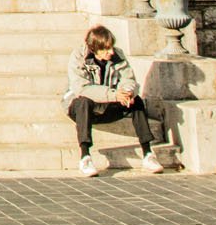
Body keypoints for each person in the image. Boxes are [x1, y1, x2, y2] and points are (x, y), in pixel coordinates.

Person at [64, 24, 162, 176]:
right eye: (106, 49)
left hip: (109, 105)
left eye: (111, 47)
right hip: (82, 107)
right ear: (94, 48)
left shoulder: (117, 55)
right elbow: (81, 88)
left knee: (137, 101)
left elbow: (128, 78)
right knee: (83, 101)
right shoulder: (79, 57)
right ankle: (85, 157)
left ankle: (148, 153)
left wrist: (127, 92)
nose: (111, 52)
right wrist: (115, 95)